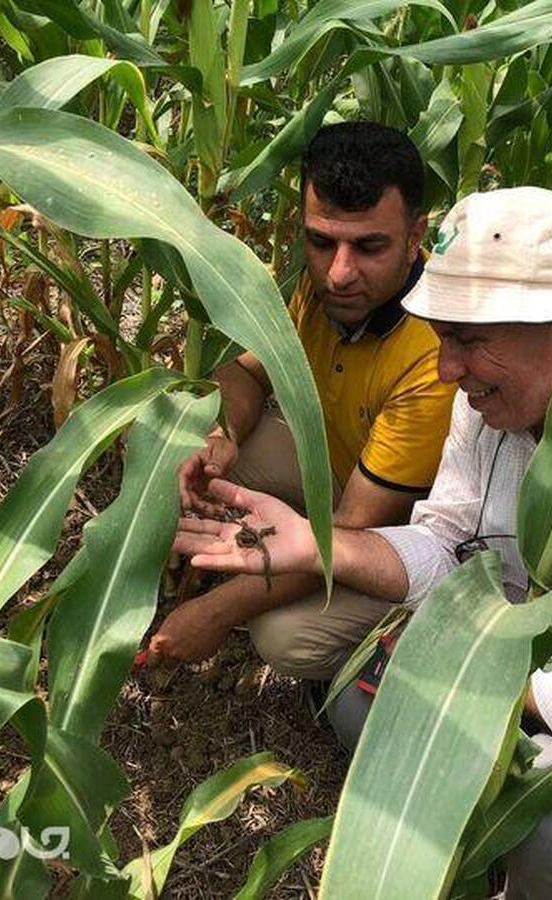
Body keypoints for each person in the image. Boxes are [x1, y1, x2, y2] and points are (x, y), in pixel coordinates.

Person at [172, 186, 552, 898]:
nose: (447, 370)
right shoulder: (493, 409)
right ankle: (471, 825)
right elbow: (446, 546)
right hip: (542, 646)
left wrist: (468, 678)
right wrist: (320, 546)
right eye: (443, 337)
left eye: (470, 340)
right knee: (356, 700)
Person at [141, 122, 457, 678]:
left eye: (369, 246)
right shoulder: (325, 287)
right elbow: (246, 374)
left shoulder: (431, 356)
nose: (339, 273)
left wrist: (215, 612)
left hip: (393, 535)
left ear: (415, 236)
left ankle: (401, 641)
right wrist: (223, 438)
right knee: (178, 450)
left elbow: (348, 535)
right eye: (321, 241)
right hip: (336, 473)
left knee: (283, 638)